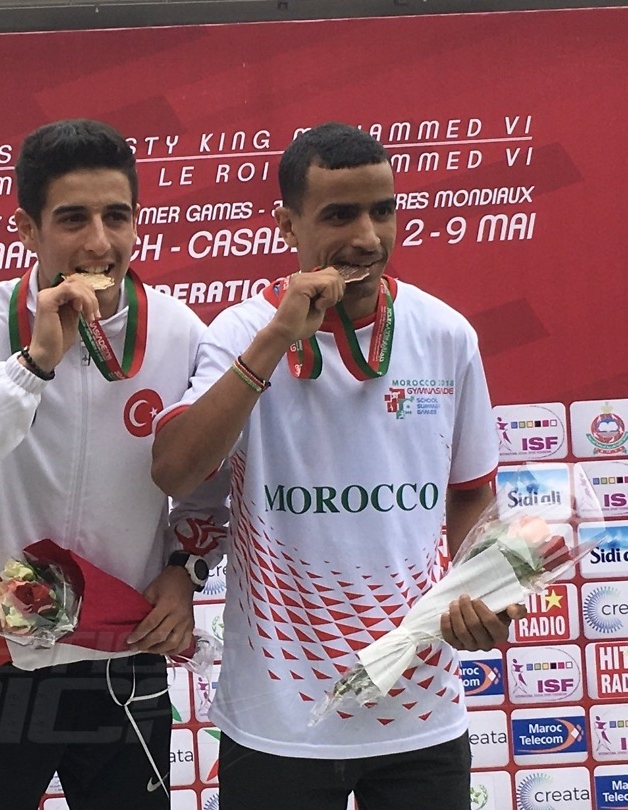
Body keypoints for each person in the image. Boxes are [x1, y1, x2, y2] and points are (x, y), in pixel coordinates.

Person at [150, 122, 511, 810]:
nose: (368, 237)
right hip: (278, 716)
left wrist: (484, 589)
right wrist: (275, 340)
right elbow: (175, 472)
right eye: (340, 215)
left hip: (420, 707)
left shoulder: (446, 333)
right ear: (288, 225)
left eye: (383, 210)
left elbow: (470, 492)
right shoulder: (240, 332)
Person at [0, 119, 229, 810]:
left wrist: (185, 571)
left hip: (123, 657)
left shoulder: (180, 332)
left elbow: (208, 486)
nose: (99, 243)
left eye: (117, 217)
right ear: (27, 229)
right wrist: (31, 366)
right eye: (73, 219)